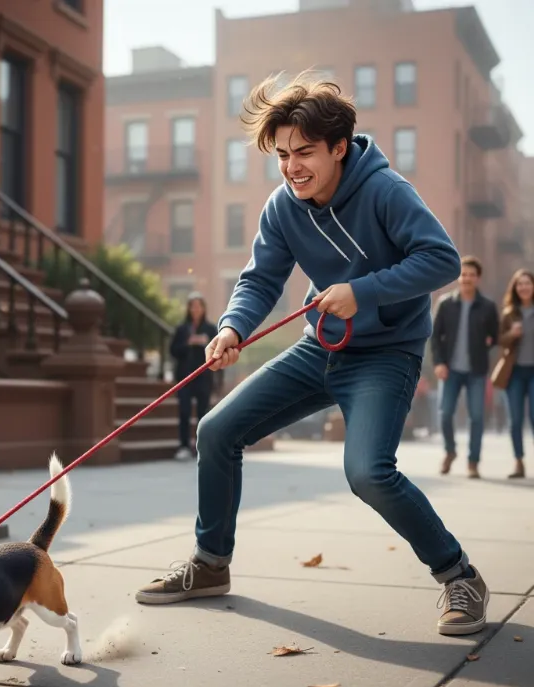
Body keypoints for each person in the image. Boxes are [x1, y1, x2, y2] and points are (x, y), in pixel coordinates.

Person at [134, 71, 489, 637]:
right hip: (316, 348)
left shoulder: (385, 191)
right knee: (217, 430)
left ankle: (459, 575)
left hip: (385, 355)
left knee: (368, 473)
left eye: (304, 152)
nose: (292, 166)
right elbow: (259, 280)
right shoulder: (282, 207)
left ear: (339, 148)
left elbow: (442, 260)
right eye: (281, 156)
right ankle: (209, 564)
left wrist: (363, 291)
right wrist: (231, 328)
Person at [430, 256, 499, 479]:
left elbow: (495, 335)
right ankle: (450, 451)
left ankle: (473, 461)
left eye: (471, 275)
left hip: (476, 370)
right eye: (463, 274)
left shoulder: (487, 306)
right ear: (458, 277)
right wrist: (439, 363)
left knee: (477, 417)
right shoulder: (445, 303)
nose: (466, 278)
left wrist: (487, 343)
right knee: (445, 413)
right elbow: (434, 337)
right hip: (449, 370)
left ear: (478, 278)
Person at [492, 269, 534, 479]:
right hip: (514, 372)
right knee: (515, 419)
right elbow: (498, 340)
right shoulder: (509, 312)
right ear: (515, 288)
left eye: (527, 283)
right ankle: (518, 462)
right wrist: (512, 334)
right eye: (520, 284)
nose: (524, 287)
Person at [170, 292, 219, 461]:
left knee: (202, 413)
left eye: (199, 306)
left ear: (203, 309)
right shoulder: (182, 329)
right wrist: (188, 343)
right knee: (183, 412)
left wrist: (204, 342)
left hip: (204, 378)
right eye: (193, 306)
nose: (196, 309)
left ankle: (201, 447)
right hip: (184, 377)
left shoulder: (211, 329)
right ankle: (183, 446)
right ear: (189, 309)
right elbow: (173, 351)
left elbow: (218, 354)